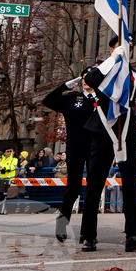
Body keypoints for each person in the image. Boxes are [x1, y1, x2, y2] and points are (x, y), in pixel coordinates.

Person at [83, 37, 136, 253]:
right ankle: (88, 235)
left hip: (126, 130)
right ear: (112, 49)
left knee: (130, 182)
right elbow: (90, 79)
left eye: (129, 48)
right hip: (103, 130)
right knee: (95, 183)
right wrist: (112, 59)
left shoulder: (135, 74)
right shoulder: (102, 67)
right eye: (121, 47)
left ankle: (134, 234)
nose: (126, 50)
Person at [42, 68, 96, 242]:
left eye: (90, 77)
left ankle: (87, 232)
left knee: (93, 189)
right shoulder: (72, 98)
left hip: (95, 147)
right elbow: (47, 100)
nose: (86, 80)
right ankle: (62, 224)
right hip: (75, 146)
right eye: (84, 77)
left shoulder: (102, 100)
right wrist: (64, 86)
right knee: (73, 187)